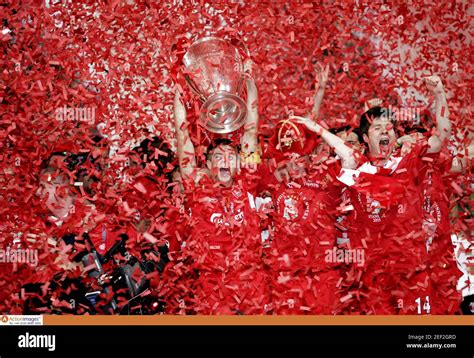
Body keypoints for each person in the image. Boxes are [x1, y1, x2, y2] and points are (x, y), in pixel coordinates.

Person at [333, 75, 454, 314]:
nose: (384, 132)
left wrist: (440, 94)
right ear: (366, 139)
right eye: (377, 128)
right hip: (374, 279)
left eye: (389, 127)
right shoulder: (354, 170)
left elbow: (442, 137)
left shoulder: (411, 160)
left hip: (412, 274)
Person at [167, 59, 269, 314]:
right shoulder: (196, 187)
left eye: (232, 155)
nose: (226, 159)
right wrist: (179, 96)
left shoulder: (248, 182)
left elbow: (251, 128)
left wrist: (249, 83)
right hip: (213, 284)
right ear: (207, 165)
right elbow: (183, 137)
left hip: (251, 281)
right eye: (219, 156)